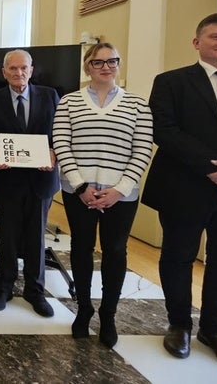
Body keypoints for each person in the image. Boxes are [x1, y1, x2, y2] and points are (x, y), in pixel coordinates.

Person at [143, 13, 217, 372]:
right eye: (216, 36)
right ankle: (180, 325)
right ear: (197, 42)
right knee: (177, 258)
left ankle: (214, 330)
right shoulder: (171, 82)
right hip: (185, 187)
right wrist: (213, 168)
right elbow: (165, 132)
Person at [52, 43, 153, 348]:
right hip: (78, 192)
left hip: (120, 195)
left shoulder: (137, 104)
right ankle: (83, 309)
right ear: (88, 67)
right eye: (98, 62)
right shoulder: (69, 102)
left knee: (115, 251)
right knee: (81, 249)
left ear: (119, 65)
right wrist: (81, 186)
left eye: (112, 61)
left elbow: (142, 149)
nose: (106, 67)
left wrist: (119, 189)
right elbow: (62, 143)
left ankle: (108, 314)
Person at [0, 49, 59, 318]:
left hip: (40, 179)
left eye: (23, 68)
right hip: (7, 179)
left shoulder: (49, 96)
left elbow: (59, 133)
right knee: (7, 236)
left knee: (36, 236)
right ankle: (4, 287)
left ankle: (35, 291)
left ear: (31, 70)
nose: (18, 73)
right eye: (12, 68)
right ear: (4, 72)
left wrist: (54, 153)